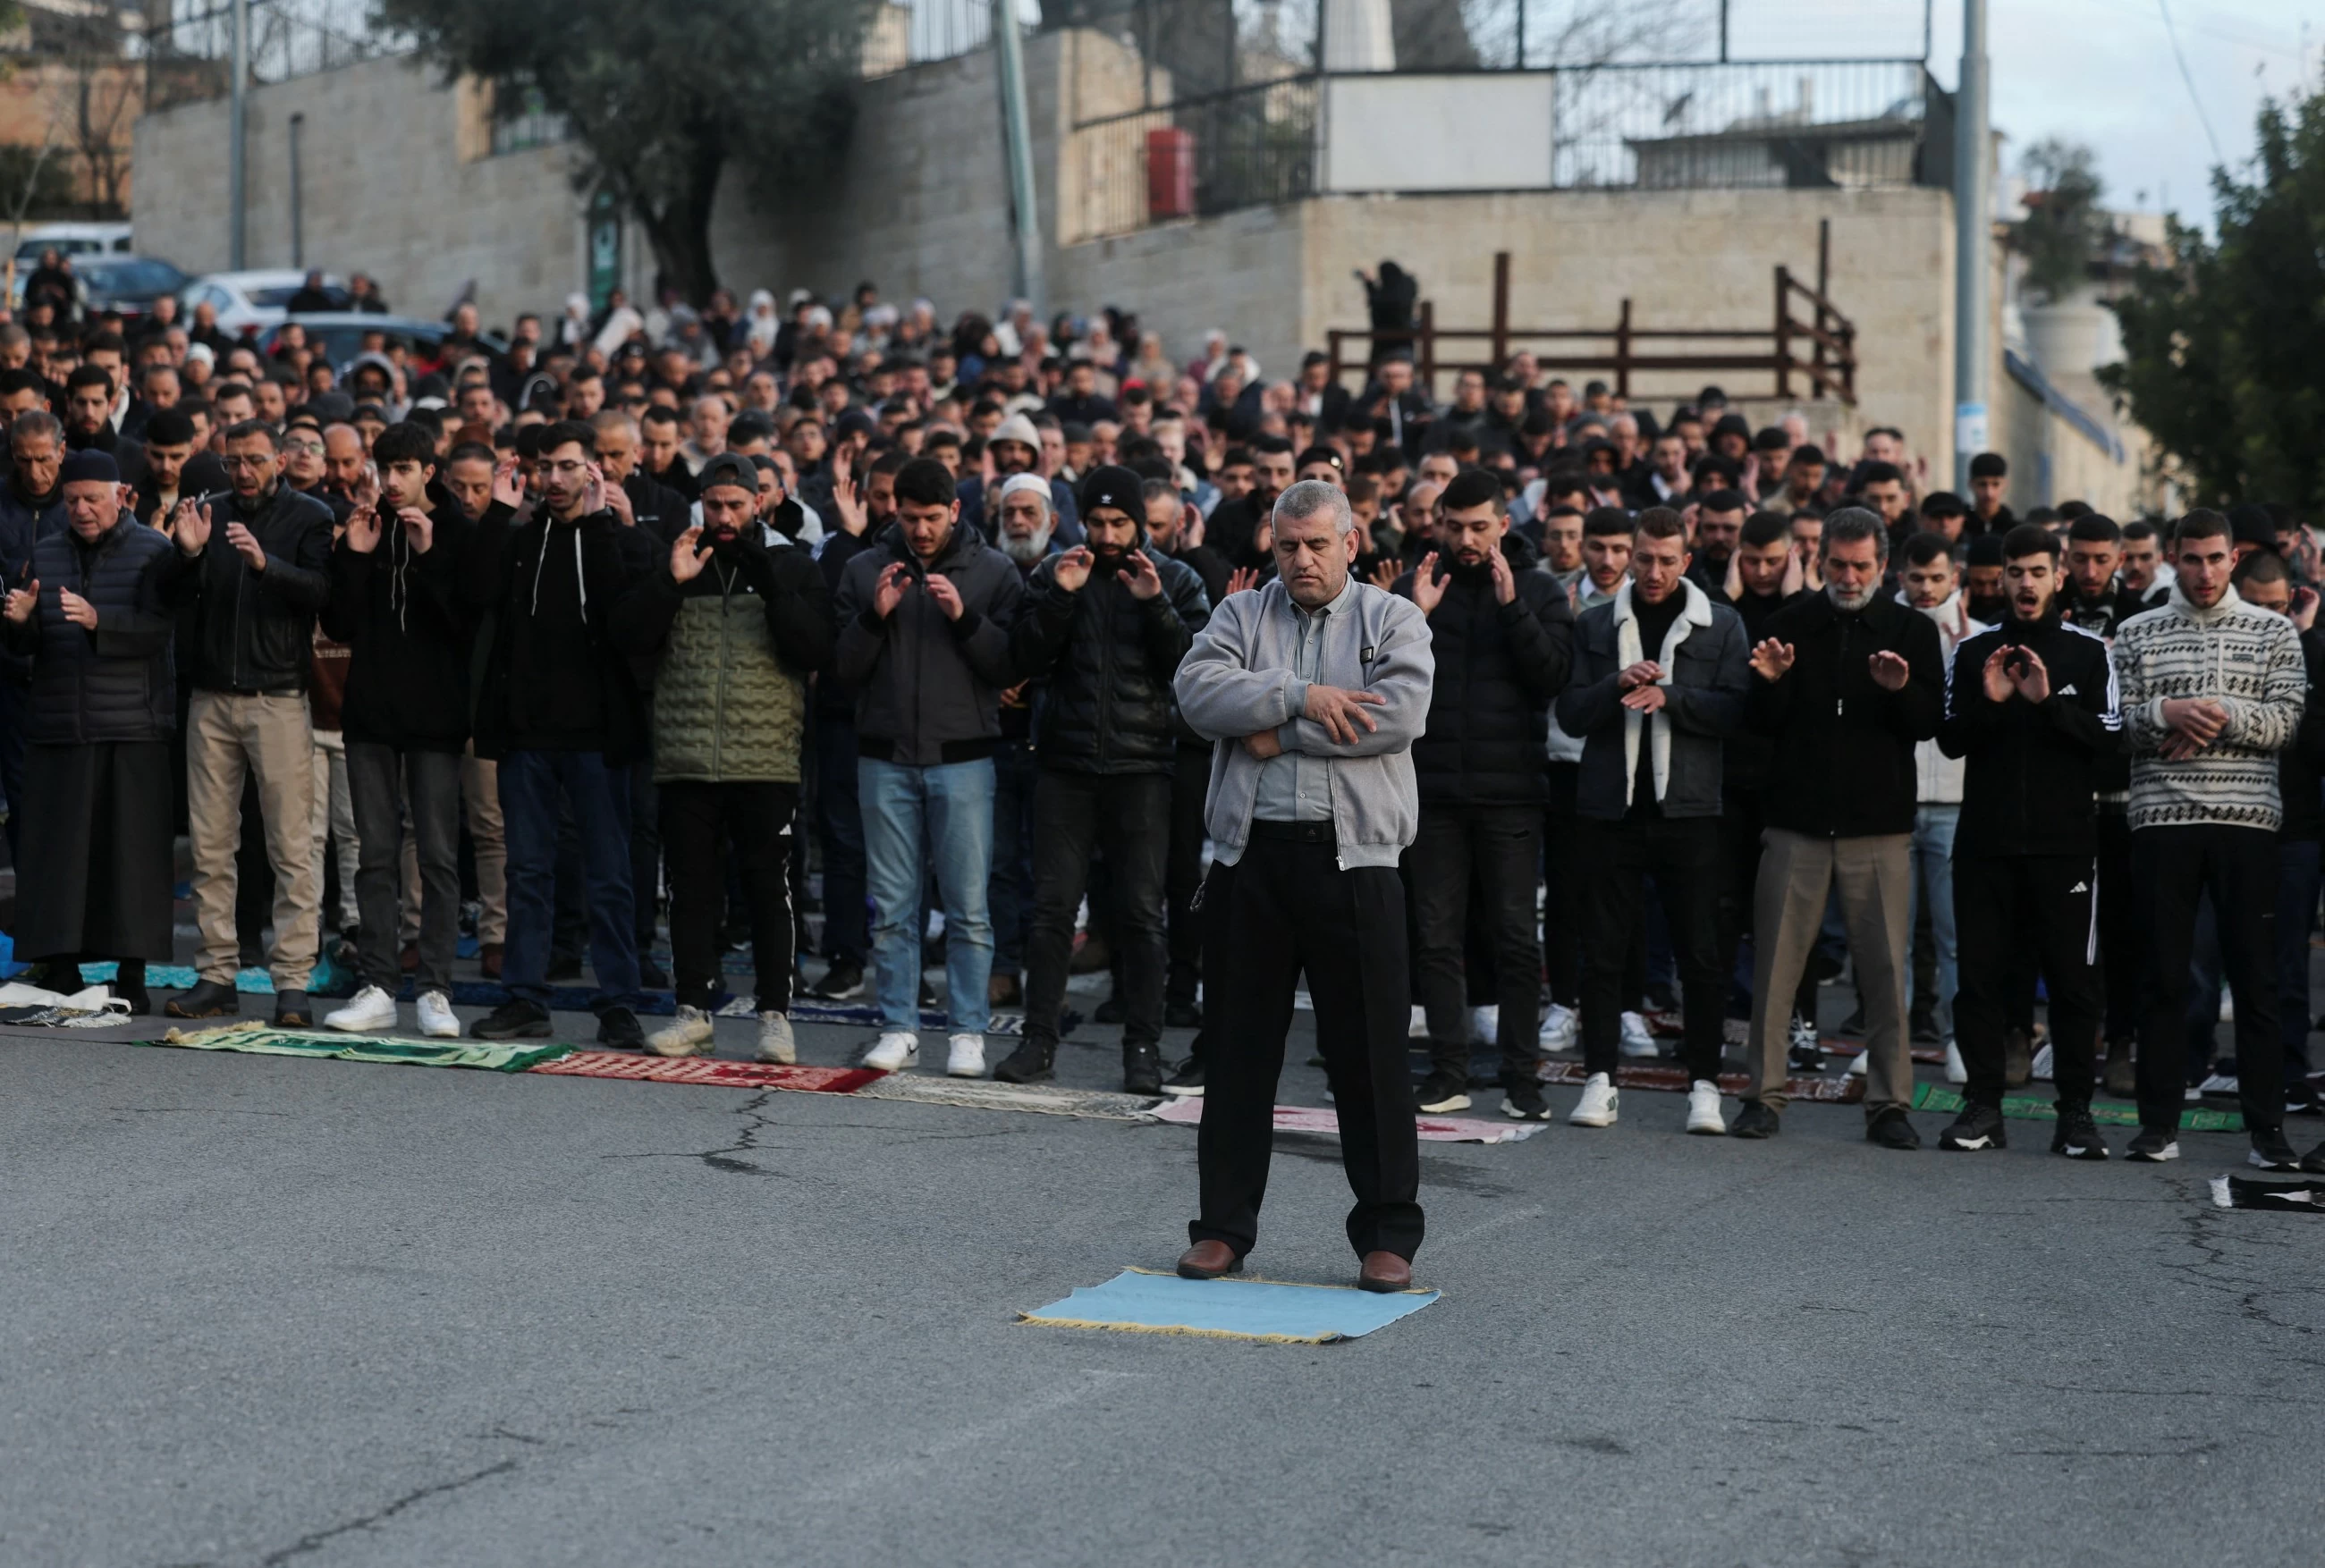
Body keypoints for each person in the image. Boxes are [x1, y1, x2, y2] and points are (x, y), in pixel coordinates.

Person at [1171, 478, 1433, 1293]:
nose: (1302, 559)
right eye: (1288, 545)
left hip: (1356, 864)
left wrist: (1278, 733)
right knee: (1239, 1054)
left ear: (1350, 543)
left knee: (1371, 1057)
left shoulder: (1393, 619)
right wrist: (1301, 696)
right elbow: (1197, 694)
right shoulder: (1240, 616)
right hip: (1251, 862)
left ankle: (1387, 1234)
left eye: (1318, 544)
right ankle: (1221, 1229)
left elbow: (1397, 715)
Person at [612, 453, 837, 1062]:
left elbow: (814, 648)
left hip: (765, 760)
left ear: (758, 503)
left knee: (768, 891)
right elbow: (628, 636)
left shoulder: (792, 564)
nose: (725, 516)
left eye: (736, 505)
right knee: (691, 891)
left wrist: (768, 580)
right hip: (687, 757)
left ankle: (775, 1017)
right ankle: (692, 1013)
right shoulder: (679, 559)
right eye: (714, 505)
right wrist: (671, 582)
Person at [993, 465, 1209, 1092]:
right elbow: (1022, 659)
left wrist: (1155, 603)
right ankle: (1038, 1041)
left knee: (1141, 913)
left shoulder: (1175, 579)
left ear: (1139, 522)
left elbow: (1195, 669)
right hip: (1065, 765)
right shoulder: (1055, 572)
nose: (1108, 535)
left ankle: (1142, 1047)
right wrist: (1061, 596)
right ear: (1082, 521)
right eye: (1097, 522)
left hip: (1144, 768)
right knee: (1053, 911)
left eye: (1119, 523)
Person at [1735, 508, 1943, 1147]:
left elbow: (1928, 724)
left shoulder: (1911, 629)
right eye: (1838, 565)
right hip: (1795, 824)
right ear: (1818, 560)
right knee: (1776, 971)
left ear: (1883, 566)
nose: (1849, 578)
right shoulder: (1787, 624)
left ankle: (1889, 1104)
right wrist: (1770, 684)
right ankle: (1763, 1096)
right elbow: (1760, 725)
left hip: (1878, 829)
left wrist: (1898, 690)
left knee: (1882, 973)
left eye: (1861, 566)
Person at [2112, 510, 2309, 1167]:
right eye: (2192, 558)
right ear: (2174, 557)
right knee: (2163, 978)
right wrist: (2166, 712)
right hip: (2161, 821)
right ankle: (2158, 1125)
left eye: (2215, 558)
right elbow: (2118, 724)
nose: (2204, 571)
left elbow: (2286, 722)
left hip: (2247, 823)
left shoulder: (2274, 630)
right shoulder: (2135, 632)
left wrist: (2217, 714)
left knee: (2254, 980)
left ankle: (2267, 1130)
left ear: (2233, 559)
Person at [1556, 507, 1749, 1134]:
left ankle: (1704, 1086)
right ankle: (1600, 1080)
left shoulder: (1720, 623)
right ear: (1629, 558)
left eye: (1667, 561)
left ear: (1686, 561)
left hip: (1688, 812)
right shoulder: (1594, 623)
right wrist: (1617, 681)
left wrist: (1672, 697)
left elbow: (1736, 711)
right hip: (1608, 810)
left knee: (1700, 956)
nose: (1654, 572)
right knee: (1602, 953)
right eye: (1644, 559)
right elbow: (1570, 714)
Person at [833, 457, 1024, 1078]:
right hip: (884, 759)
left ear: (955, 511)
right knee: (892, 907)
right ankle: (898, 1026)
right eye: (910, 518)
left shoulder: (994, 571)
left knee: (968, 907)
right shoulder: (864, 569)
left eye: (932, 519)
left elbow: (1010, 665)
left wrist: (964, 618)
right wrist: (875, 615)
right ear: (896, 511)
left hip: (964, 760)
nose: (920, 530)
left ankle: (967, 1031)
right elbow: (840, 670)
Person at [1935, 525, 2121, 1157]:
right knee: (1979, 982)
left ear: (2058, 575)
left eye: (2038, 571)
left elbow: (2112, 745)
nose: (2025, 583)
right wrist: (1990, 703)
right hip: (1985, 846)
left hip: (2064, 848)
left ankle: (2076, 1115)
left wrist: (2047, 704)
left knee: (2073, 985)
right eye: (2015, 572)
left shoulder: (2088, 653)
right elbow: (1949, 740)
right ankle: (1983, 1107)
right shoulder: (1972, 651)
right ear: (2001, 577)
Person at [1394, 468, 1573, 1117]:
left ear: (1504, 524)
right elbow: (1372, 679)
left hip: (1512, 795)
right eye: (1454, 526)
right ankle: (1449, 1071)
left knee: (1516, 939)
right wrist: (1414, 617)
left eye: (1478, 527)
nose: (1466, 540)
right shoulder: (1411, 590)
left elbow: (1554, 677)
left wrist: (1512, 606)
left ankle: (1523, 1076)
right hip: (1432, 794)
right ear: (1438, 524)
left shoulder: (1539, 589)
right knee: (1436, 938)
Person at [463, 422, 648, 1047]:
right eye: (546, 467)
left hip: (598, 736)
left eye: (569, 466)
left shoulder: (617, 537)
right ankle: (525, 997)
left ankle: (618, 1001)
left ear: (594, 470)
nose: (555, 479)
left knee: (609, 875)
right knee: (528, 873)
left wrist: (599, 525)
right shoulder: (521, 537)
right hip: (526, 736)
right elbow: (477, 593)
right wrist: (498, 512)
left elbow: (624, 619)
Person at [158, 421, 334, 1026]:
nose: (243, 471)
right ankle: (216, 973)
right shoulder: (207, 511)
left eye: (255, 460)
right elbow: (167, 595)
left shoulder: (310, 516)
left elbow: (322, 594)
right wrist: (185, 552)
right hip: (211, 697)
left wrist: (266, 565)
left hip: (277, 696)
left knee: (291, 846)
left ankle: (292, 980)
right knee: (210, 846)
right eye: (234, 461)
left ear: (281, 460)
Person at [0, 450, 176, 1012]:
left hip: (132, 726)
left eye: (92, 499)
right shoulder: (47, 552)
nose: (81, 510)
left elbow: (160, 631)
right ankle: (61, 968)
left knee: (131, 859)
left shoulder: (153, 550)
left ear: (120, 496)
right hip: (58, 724)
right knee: (57, 856)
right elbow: (32, 646)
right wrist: (21, 624)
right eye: (72, 500)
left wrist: (102, 622)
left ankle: (132, 975)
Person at [316, 422, 474, 1039]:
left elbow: (463, 625)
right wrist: (354, 555)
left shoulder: (457, 529)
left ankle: (435, 988)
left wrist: (429, 555)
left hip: (436, 717)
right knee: (374, 855)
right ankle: (378, 984)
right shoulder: (367, 526)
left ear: (428, 472)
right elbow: (338, 624)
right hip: (371, 716)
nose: (393, 481)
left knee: (437, 857)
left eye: (404, 469)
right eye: (386, 470)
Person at [2228, 553, 2325, 1117]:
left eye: (2279, 607)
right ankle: (2212, 1063)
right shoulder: (2226, 650)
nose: (2270, 619)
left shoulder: (2312, 650)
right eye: (2256, 606)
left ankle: (2287, 1070)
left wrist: (2304, 642)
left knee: (2287, 962)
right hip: (2234, 824)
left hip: (2296, 829)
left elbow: (2315, 739)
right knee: (2217, 958)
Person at [1897, 534, 1984, 1059]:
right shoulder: (1884, 627)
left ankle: (1958, 1040)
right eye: (1916, 578)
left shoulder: (1979, 636)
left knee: (1955, 935)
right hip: (1895, 802)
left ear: (1955, 576)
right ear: (1900, 576)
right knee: (1893, 938)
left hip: (1954, 803)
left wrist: (1963, 650)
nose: (1926, 588)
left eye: (1936, 578)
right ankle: (1890, 1041)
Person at [0, 409, 66, 864]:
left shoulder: (79, 504)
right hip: (10, 671)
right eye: (24, 460)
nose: (35, 471)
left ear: (62, 451)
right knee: (20, 788)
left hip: (64, 669)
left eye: (44, 459)